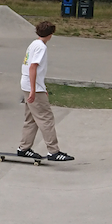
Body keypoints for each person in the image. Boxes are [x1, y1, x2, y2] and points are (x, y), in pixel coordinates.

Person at [16, 20, 74, 161]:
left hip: (27, 83)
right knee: (46, 118)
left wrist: (42, 88)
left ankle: (23, 148)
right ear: (50, 34)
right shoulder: (41, 47)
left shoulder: (34, 43)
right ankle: (53, 151)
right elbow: (33, 67)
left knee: (31, 118)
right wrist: (34, 90)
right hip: (32, 86)